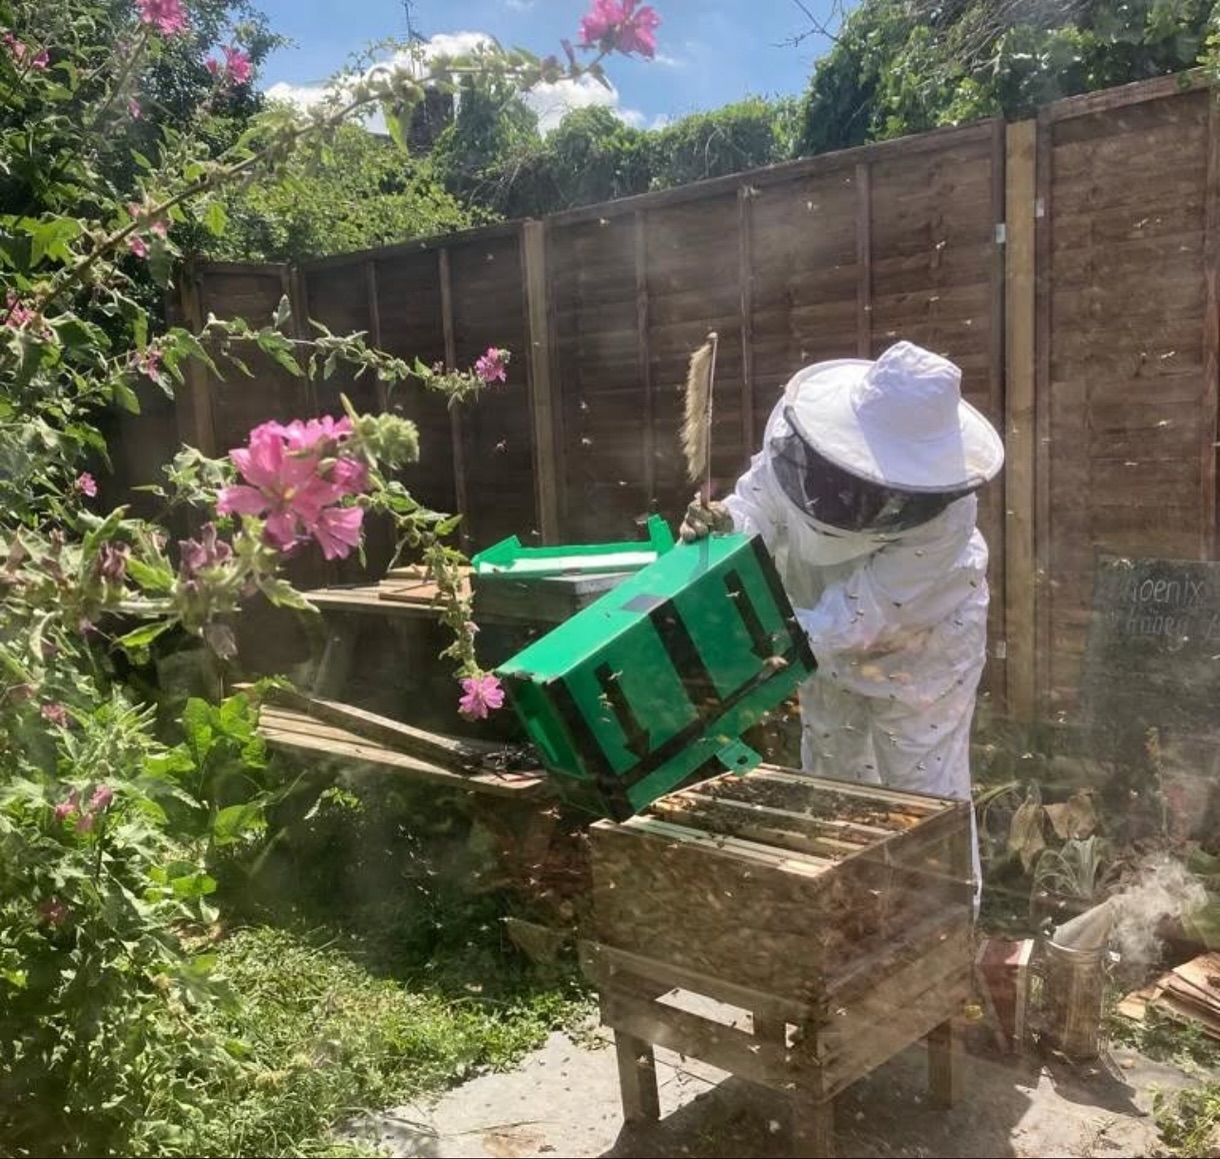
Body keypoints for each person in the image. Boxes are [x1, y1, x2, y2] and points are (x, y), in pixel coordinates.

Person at [680, 340, 1004, 905]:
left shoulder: (945, 515)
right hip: (812, 620)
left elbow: (865, 616)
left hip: (924, 645)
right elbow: (762, 501)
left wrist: (767, 641)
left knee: (924, 795)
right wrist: (726, 521)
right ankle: (844, 919)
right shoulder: (798, 430)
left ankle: (942, 936)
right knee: (833, 778)